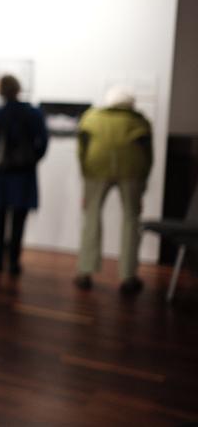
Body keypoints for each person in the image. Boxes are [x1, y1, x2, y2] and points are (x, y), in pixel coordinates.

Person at [74, 86, 152, 294]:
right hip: (132, 172)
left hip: (96, 170)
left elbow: (81, 150)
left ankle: (85, 271)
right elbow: (148, 156)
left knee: (91, 218)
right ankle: (128, 275)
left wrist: (85, 175)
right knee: (131, 220)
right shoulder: (139, 121)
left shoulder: (91, 117)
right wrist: (143, 185)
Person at [0, 75, 48, 275]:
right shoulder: (33, 113)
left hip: (0, 174)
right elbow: (43, 143)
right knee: (19, 221)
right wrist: (32, 160)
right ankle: (14, 262)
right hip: (24, 175)